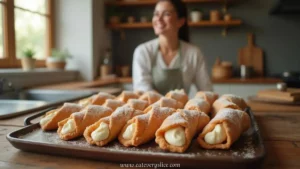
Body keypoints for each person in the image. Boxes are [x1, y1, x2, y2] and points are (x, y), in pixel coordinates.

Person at [132, 0, 212, 95]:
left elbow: (206, 91)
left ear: (180, 21)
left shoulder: (193, 53)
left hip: (181, 110)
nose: (158, 18)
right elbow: (143, 90)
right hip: (150, 109)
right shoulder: (143, 51)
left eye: (166, 14)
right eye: (156, 14)